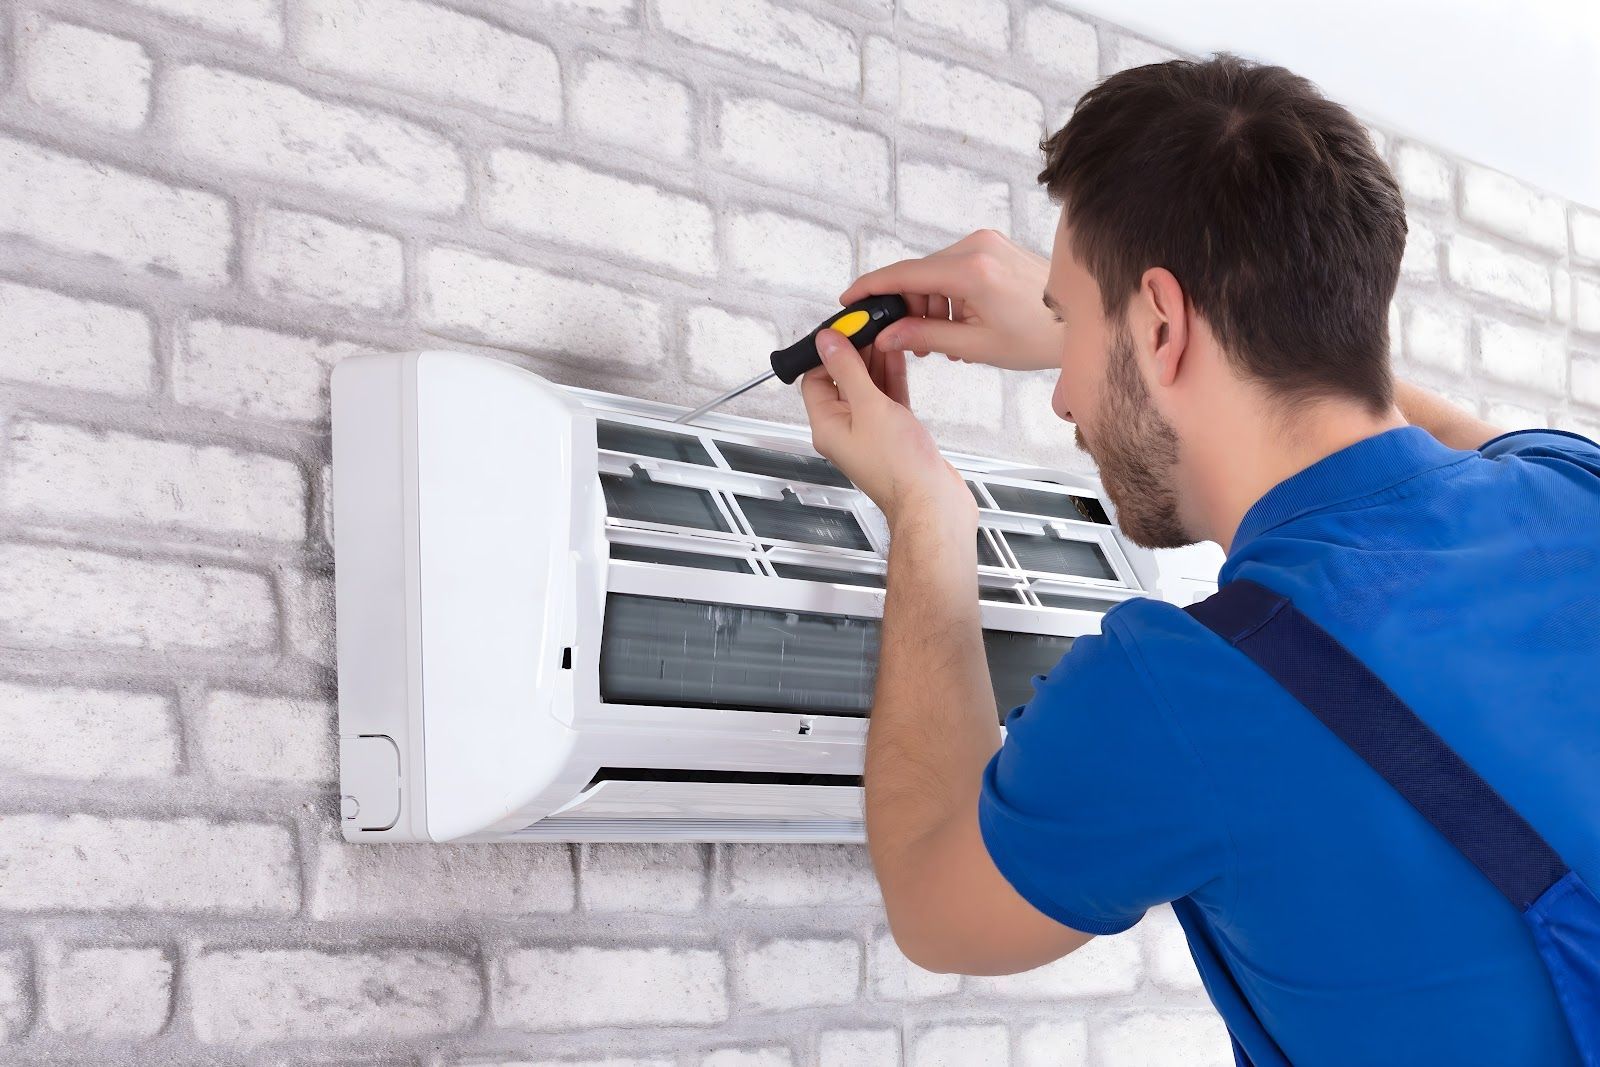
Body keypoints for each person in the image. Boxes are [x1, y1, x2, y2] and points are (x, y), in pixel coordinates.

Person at [798, 52, 1600, 1066]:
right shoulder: (1576, 489)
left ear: (1164, 323)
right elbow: (1366, 402)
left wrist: (925, 506)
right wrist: (1107, 329)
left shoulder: (1179, 689)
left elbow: (932, 899)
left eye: (1071, 331)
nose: (1062, 397)